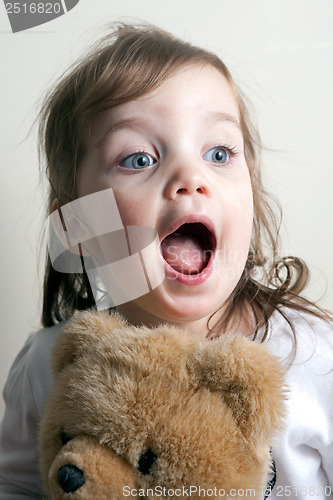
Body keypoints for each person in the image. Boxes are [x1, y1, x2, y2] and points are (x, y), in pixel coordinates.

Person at [0, 23, 332, 499]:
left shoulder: (314, 361)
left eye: (219, 153)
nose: (191, 177)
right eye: (138, 159)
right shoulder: (45, 367)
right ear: (78, 230)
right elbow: (16, 485)